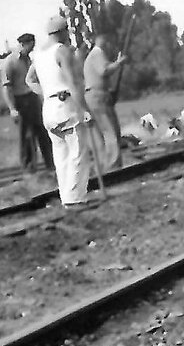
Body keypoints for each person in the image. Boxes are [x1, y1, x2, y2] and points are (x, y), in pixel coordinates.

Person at [25, 15, 94, 209]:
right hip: (66, 105)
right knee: (78, 152)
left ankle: (67, 197)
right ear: (62, 32)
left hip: (49, 107)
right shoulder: (61, 51)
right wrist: (84, 109)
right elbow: (73, 82)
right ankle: (76, 199)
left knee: (61, 155)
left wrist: (47, 93)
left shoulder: (39, 55)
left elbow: (29, 80)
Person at [0, 33, 55, 172]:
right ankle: (29, 168)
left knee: (42, 131)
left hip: (32, 98)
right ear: (22, 45)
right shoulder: (10, 62)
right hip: (19, 100)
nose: (31, 49)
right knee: (26, 135)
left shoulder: (29, 60)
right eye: (30, 46)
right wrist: (12, 108)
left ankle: (51, 163)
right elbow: (6, 87)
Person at [83, 32, 128, 171]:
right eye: (106, 40)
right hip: (98, 95)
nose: (108, 44)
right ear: (101, 40)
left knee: (105, 131)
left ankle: (106, 164)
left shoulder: (94, 55)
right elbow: (104, 71)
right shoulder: (97, 53)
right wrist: (119, 63)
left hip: (96, 95)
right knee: (111, 131)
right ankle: (113, 166)